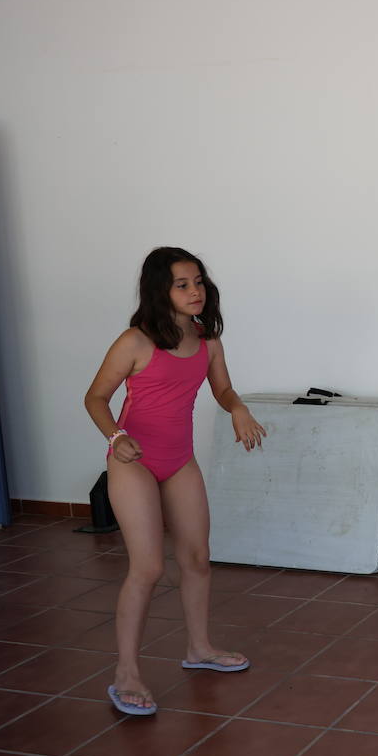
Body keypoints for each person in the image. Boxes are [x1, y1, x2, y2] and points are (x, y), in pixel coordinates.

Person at [84, 247, 266, 717]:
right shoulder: (136, 341)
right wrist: (116, 437)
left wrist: (238, 408)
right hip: (134, 460)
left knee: (197, 558)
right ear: (159, 291)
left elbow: (221, 389)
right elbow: (96, 397)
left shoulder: (208, 341)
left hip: (179, 460)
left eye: (199, 281)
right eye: (182, 284)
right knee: (147, 568)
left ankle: (199, 648)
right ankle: (126, 672)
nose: (195, 291)